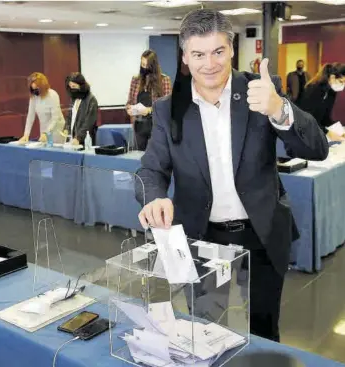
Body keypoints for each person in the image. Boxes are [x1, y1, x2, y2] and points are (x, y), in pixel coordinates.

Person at [135, 9, 328, 342]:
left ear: (231, 48)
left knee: (265, 331)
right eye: (198, 54)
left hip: (261, 233)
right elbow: (151, 168)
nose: (209, 63)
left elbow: (317, 148)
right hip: (202, 235)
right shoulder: (169, 108)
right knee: (207, 331)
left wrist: (280, 108)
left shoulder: (261, 90)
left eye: (218, 51)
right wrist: (154, 197)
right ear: (185, 56)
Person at [126, 50, 172, 150]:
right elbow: (129, 102)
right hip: (139, 126)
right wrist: (129, 108)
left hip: (156, 126)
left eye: (147, 65)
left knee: (156, 158)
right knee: (140, 158)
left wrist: (149, 110)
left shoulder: (164, 80)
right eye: (142, 64)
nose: (144, 67)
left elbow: (168, 106)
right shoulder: (136, 80)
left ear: (153, 66)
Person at [297, 62, 345, 142]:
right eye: (341, 81)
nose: (343, 85)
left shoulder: (332, 92)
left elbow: (325, 118)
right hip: (301, 133)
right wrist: (327, 132)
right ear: (332, 77)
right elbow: (307, 119)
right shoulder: (313, 89)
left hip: (314, 132)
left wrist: (340, 131)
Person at [19, 72, 65, 144]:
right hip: (44, 129)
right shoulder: (34, 97)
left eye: (37, 89)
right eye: (33, 89)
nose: (35, 92)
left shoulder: (53, 95)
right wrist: (26, 134)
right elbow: (30, 116)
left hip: (56, 129)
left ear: (43, 86)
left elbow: (55, 118)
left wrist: (46, 132)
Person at [63, 72, 99, 145]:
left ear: (81, 85)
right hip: (73, 140)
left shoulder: (91, 100)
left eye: (74, 86)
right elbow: (69, 117)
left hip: (85, 141)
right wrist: (66, 128)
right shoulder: (74, 98)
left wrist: (78, 138)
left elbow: (89, 123)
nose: (72, 89)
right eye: (70, 86)